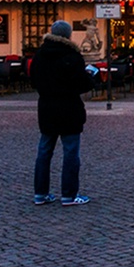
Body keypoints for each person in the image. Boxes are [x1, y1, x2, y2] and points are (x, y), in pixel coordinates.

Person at [29, 19, 92, 205]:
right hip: (69, 107)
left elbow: (33, 80)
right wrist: (90, 78)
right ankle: (69, 195)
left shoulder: (39, 55)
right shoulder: (72, 56)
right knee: (71, 152)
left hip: (47, 107)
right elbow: (82, 84)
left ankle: (40, 193)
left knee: (44, 151)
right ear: (67, 35)